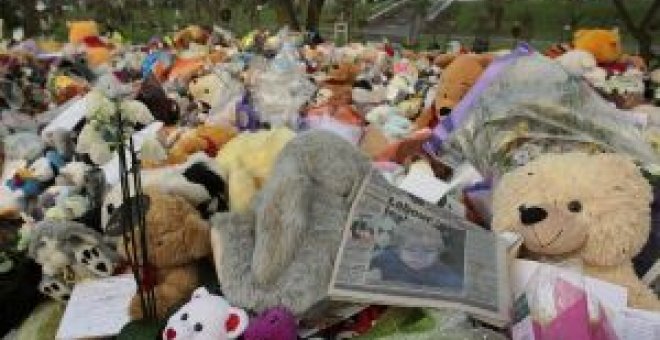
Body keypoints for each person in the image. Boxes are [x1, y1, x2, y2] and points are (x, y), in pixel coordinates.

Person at [369, 222, 463, 289]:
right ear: (398, 250)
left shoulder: (442, 273)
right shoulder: (387, 259)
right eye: (410, 249)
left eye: (428, 251)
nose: (419, 256)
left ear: (438, 254)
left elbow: (456, 283)